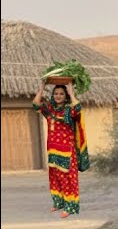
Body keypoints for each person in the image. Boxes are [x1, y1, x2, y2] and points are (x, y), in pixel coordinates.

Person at [32, 81, 90, 218]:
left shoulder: (69, 109)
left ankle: (70, 206)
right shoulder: (49, 109)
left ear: (65, 96)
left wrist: (71, 92)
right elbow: (35, 104)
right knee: (55, 177)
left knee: (68, 178)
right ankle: (58, 202)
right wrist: (41, 88)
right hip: (52, 149)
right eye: (56, 93)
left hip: (67, 151)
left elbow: (78, 108)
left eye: (61, 94)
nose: (58, 96)